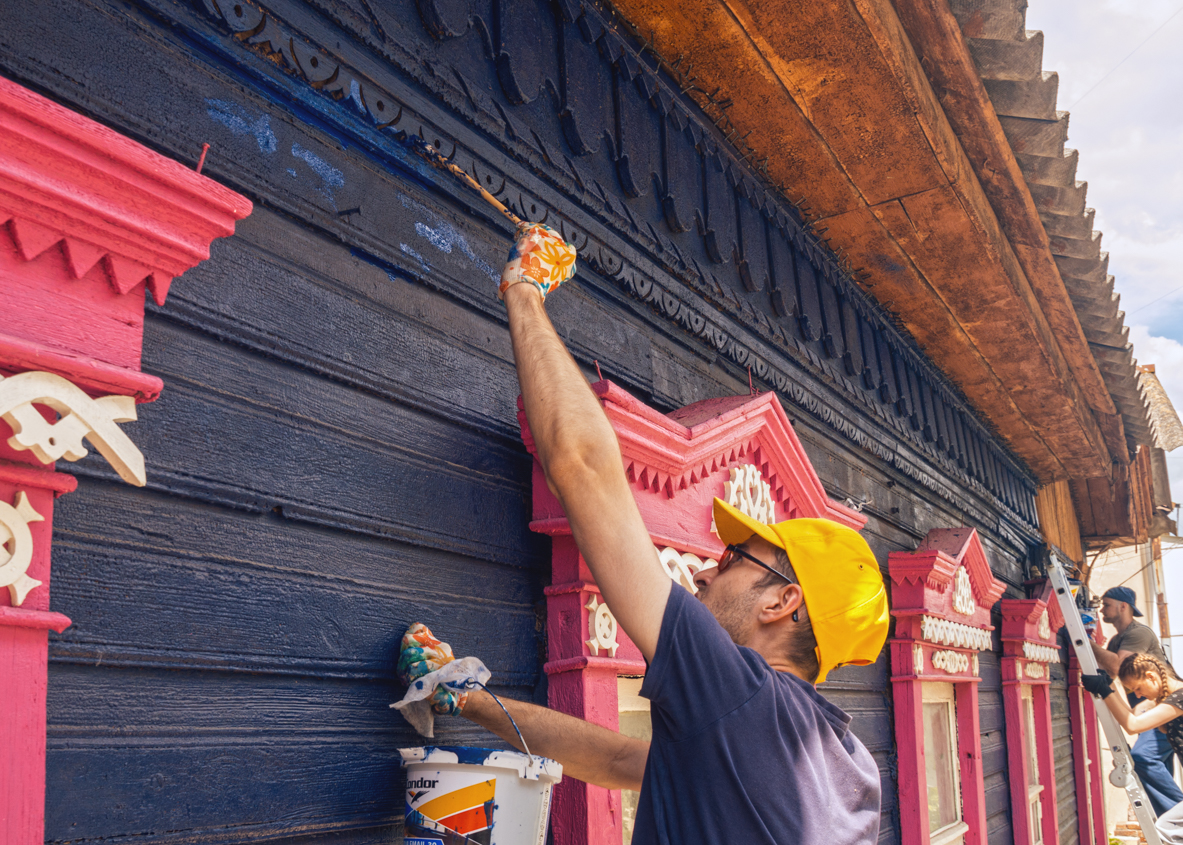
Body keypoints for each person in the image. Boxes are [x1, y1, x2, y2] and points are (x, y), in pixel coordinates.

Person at [397, 223, 891, 844]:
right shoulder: (851, 764)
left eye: (737, 557)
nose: (707, 571)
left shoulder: (740, 696)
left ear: (782, 599)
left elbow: (583, 469)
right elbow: (619, 761)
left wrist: (524, 288)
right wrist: (465, 700)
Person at [1090, 585, 1183, 815]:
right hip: (1155, 711)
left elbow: (1118, 667)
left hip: (1162, 708)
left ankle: (1175, 818)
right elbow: (1110, 677)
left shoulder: (1138, 633)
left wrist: (1086, 642)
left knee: (1143, 756)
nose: (1102, 610)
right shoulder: (1115, 642)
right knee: (1155, 765)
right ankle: (1171, 819)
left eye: (1107, 604)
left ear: (1124, 606)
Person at [1083, 654, 1183, 843]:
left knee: (1166, 829)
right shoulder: (1169, 699)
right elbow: (1134, 714)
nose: (1137, 695)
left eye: (1138, 688)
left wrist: (1103, 691)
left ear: (1151, 677)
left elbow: (1133, 725)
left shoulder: (1180, 698)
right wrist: (1109, 685)